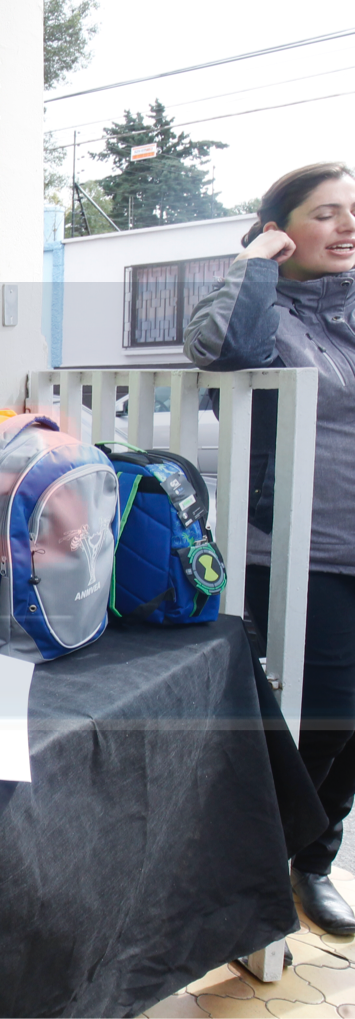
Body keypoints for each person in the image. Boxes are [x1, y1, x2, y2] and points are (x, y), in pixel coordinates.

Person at [184, 161, 355, 933]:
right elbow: (217, 347)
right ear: (283, 228)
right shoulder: (265, 311)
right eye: (326, 213)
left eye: (353, 211)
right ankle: (269, 854)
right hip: (296, 551)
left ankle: (310, 859)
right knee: (329, 716)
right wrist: (254, 261)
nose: (348, 225)